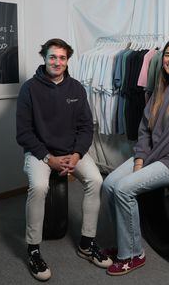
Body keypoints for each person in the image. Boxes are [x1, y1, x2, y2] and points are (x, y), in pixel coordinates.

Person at [102, 38, 169, 276]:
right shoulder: (161, 88)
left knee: (124, 189)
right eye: (168, 55)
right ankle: (125, 241)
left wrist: (145, 163)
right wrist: (140, 158)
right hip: (154, 154)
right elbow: (145, 129)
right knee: (109, 184)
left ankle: (132, 254)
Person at [16, 38, 112, 281]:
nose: (57, 62)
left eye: (62, 58)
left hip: (72, 152)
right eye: (52, 57)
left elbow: (86, 128)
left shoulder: (76, 89)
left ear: (67, 60)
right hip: (40, 153)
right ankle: (33, 249)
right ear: (44, 58)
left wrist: (77, 154)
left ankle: (87, 243)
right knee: (38, 187)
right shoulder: (29, 89)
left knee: (96, 181)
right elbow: (24, 134)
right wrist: (49, 159)